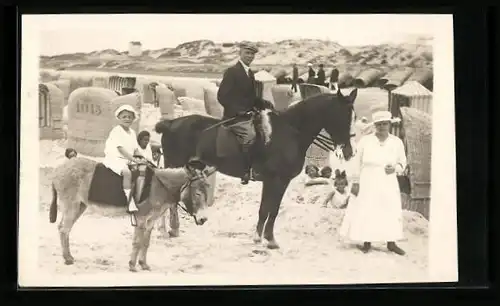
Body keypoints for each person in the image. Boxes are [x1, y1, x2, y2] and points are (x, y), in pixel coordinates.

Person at [339, 110, 407, 255]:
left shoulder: (396, 142)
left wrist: (395, 168)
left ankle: (391, 242)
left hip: (388, 180)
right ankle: (366, 242)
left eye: (385, 124)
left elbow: (403, 163)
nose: (382, 127)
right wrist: (355, 182)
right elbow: (356, 162)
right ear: (374, 126)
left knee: (389, 209)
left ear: (389, 124)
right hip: (368, 179)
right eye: (379, 124)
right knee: (367, 208)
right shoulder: (365, 141)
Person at [216, 41, 261, 185]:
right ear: (240, 53)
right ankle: (245, 170)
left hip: (248, 115)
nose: (250, 56)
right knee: (251, 135)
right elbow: (222, 96)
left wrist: (263, 103)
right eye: (247, 53)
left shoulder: (250, 73)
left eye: (252, 54)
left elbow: (251, 97)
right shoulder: (232, 72)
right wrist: (237, 111)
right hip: (234, 118)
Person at [102, 104, 145, 217]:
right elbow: (120, 149)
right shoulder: (117, 131)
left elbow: (135, 149)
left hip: (127, 159)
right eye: (124, 117)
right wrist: (133, 159)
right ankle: (129, 201)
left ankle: (140, 197)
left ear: (133, 119)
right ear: (119, 118)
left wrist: (143, 158)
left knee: (144, 171)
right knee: (127, 172)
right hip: (115, 158)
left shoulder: (132, 132)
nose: (127, 119)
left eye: (129, 117)